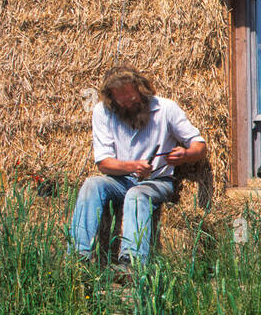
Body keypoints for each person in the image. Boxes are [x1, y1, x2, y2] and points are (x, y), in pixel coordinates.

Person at [69, 64, 207, 271]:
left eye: (132, 98)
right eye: (121, 101)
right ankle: (78, 257)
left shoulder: (166, 108)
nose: (128, 105)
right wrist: (132, 166)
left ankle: (131, 263)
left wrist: (186, 154)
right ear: (111, 99)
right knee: (92, 184)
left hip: (158, 181)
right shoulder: (102, 112)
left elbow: (200, 146)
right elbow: (104, 163)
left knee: (137, 193)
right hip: (120, 180)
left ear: (141, 90)